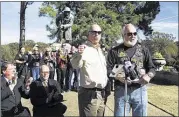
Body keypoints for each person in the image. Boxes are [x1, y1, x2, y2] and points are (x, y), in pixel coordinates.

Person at [107, 23, 156, 116]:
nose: (133, 36)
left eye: (134, 33)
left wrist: (148, 76)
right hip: (121, 92)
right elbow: (108, 68)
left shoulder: (144, 49)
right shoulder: (114, 51)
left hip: (140, 91)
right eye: (129, 34)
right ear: (123, 35)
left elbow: (152, 68)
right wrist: (118, 75)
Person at [71, 24, 108, 117]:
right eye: (94, 32)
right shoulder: (84, 49)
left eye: (99, 32)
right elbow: (75, 65)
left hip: (102, 93)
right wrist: (79, 54)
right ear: (88, 34)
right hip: (89, 94)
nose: (96, 34)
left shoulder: (100, 50)